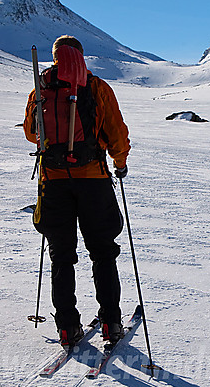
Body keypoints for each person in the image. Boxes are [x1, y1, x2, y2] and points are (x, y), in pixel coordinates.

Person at [23, 35, 130, 347]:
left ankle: (67, 327)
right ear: (81, 56)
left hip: (53, 182)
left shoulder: (40, 86)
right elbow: (116, 133)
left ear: (56, 57)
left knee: (61, 255)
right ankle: (111, 322)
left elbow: (32, 134)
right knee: (103, 251)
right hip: (93, 179)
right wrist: (119, 163)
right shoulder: (96, 87)